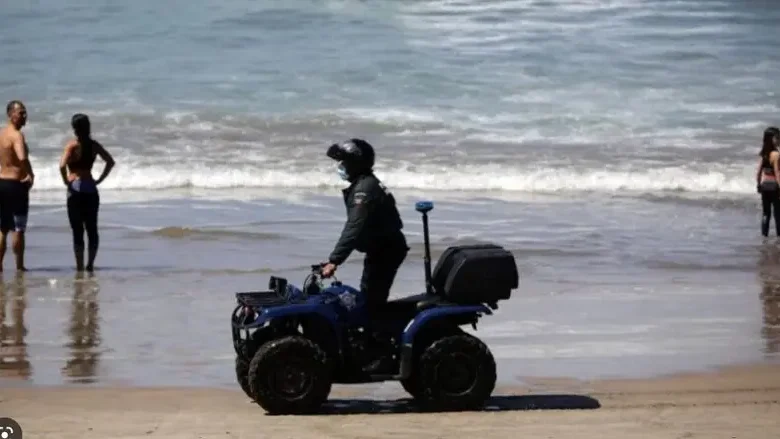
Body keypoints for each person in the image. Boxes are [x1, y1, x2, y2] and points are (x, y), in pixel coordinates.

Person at [321, 138, 409, 371]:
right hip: (381, 248)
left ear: (356, 164)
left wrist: (334, 261)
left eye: (343, 162)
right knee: (370, 295)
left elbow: (354, 227)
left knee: (371, 301)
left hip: (386, 250)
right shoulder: (365, 183)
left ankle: (380, 355)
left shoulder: (364, 190)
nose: (340, 166)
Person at [58, 113, 115, 271]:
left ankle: (79, 266)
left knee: (77, 230)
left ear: (74, 128)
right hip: (90, 187)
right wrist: (99, 180)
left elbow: (62, 165)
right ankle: (90, 264)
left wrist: (65, 181)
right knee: (92, 228)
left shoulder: (72, 146)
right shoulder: (94, 145)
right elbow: (110, 162)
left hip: (75, 187)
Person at [0, 100, 35, 272]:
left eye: (24, 112)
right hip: (16, 185)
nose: (24, 116)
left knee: (3, 228)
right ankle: (19, 266)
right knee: (18, 228)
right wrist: (30, 174)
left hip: (2, 183)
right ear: (10, 115)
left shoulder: (1, 134)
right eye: (20, 113)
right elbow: (22, 158)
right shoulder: (16, 135)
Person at [757, 126, 780, 237]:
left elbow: (758, 172)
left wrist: (758, 185)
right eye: (777, 138)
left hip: (765, 186)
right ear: (771, 139)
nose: (779, 140)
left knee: (766, 213)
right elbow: (777, 172)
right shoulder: (776, 155)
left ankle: (764, 237)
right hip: (775, 187)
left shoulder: (764, 154)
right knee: (777, 214)